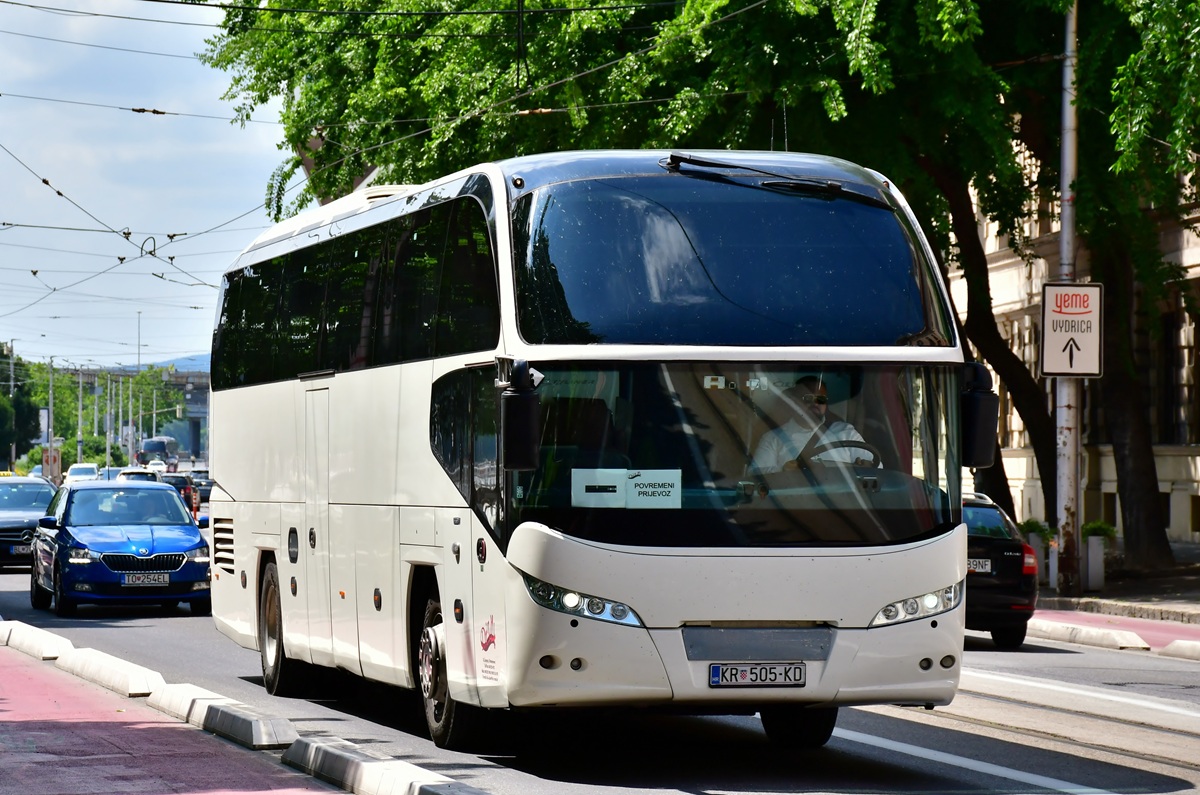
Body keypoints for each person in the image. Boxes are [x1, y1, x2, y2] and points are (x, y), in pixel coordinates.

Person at [749, 376, 874, 474]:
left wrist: (867, 468)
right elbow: (753, 475)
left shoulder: (847, 432)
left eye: (820, 399)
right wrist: (783, 471)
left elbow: (876, 466)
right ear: (795, 402)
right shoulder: (773, 438)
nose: (815, 403)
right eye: (808, 398)